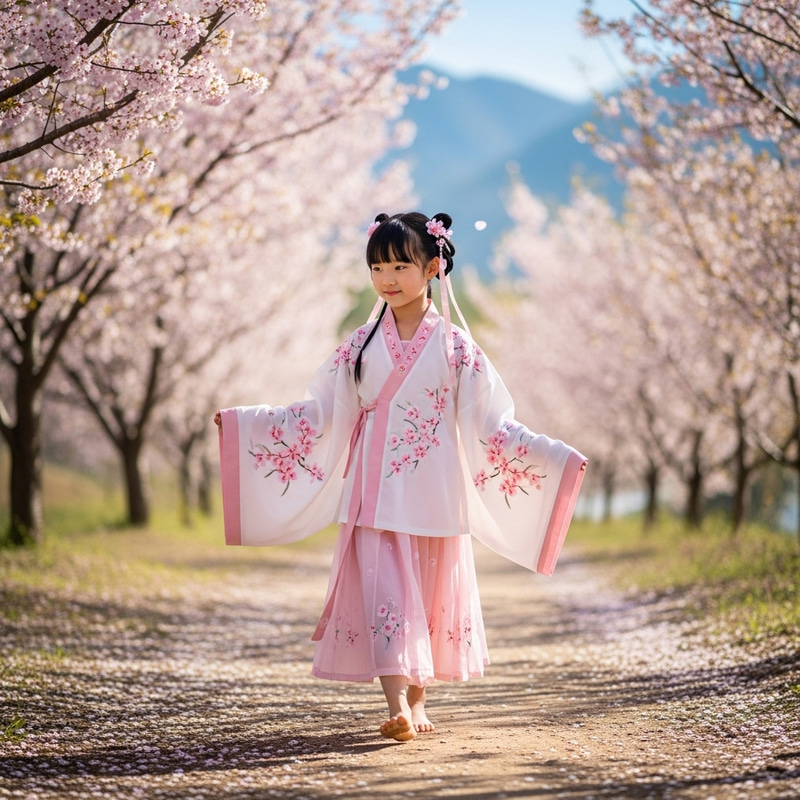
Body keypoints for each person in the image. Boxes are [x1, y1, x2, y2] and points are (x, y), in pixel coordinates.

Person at [214, 211, 587, 743]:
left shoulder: (458, 348)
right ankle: (397, 707)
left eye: (399, 265)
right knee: (386, 594)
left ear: (433, 266)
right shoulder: (360, 344)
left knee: (427, 596)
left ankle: (418, 699)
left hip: (432, 493)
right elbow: (318, 412)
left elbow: (491, 424)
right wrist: (244, 423)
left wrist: (556, 458)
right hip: (372, 493)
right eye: (377, 266)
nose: (387, 277)